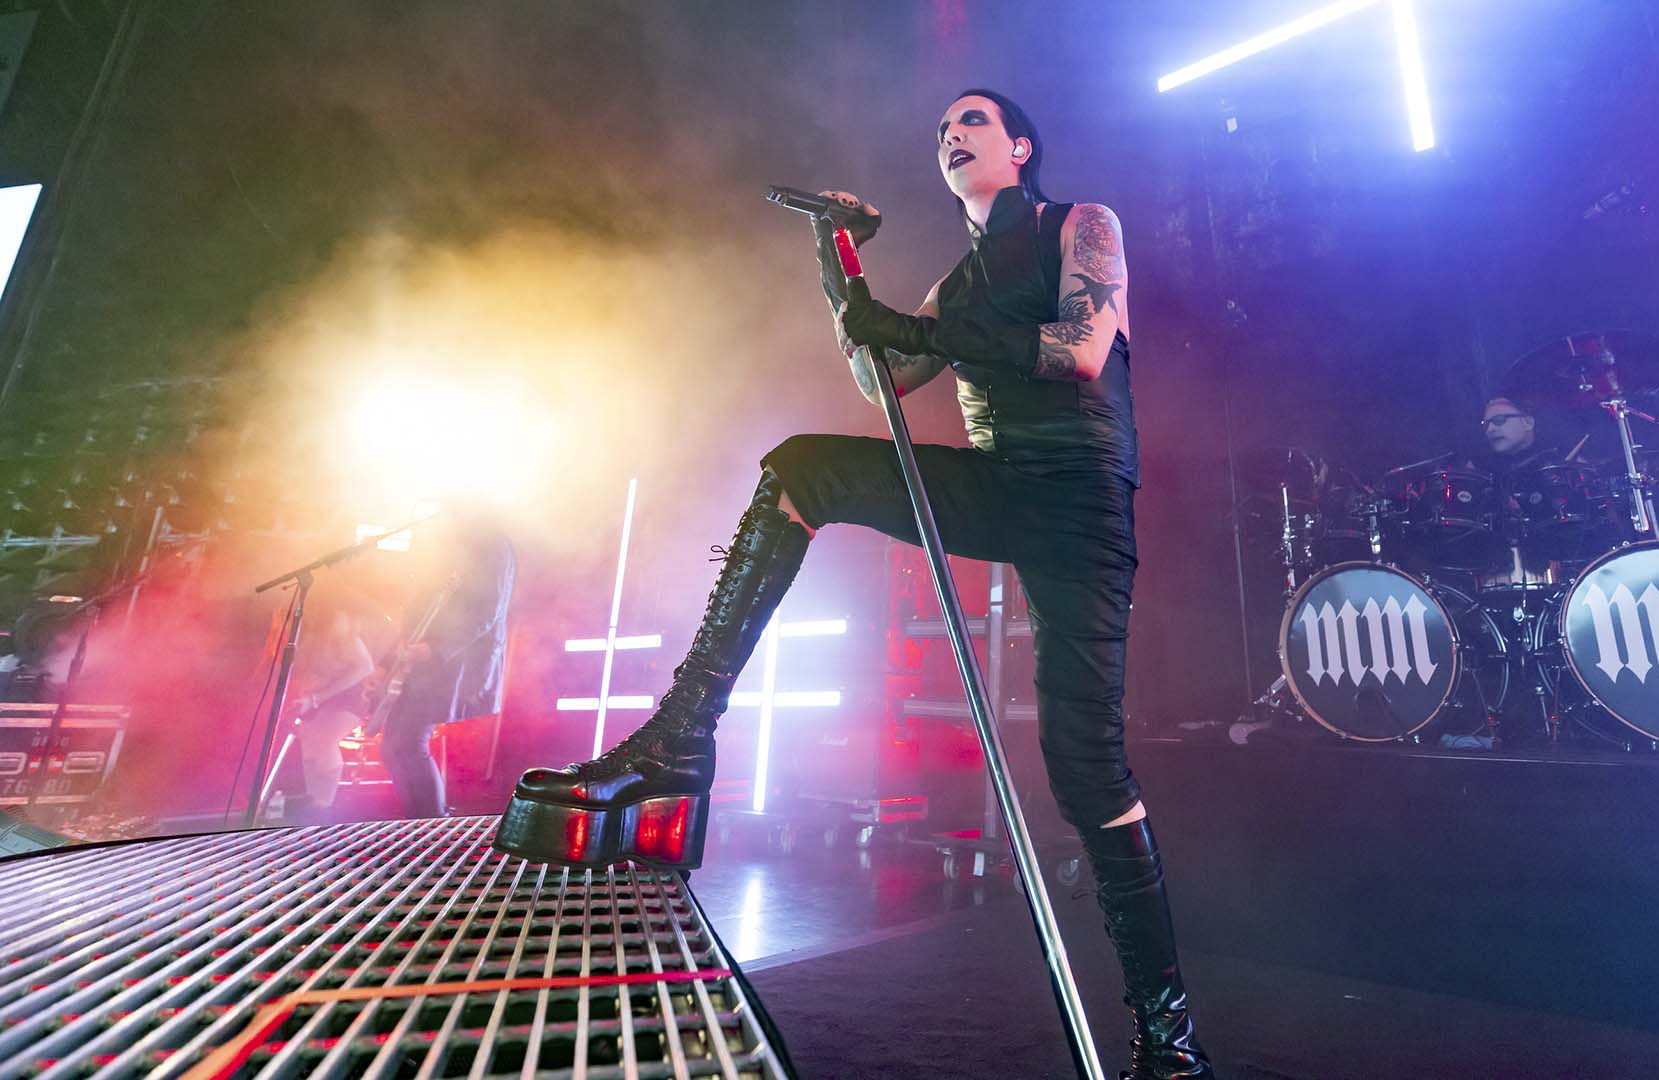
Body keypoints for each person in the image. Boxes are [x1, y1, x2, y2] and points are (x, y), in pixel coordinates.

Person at [497, 89, 1210, 1078]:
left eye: (972, 122)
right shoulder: (956, 284)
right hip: (999, 483)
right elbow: (881, 380)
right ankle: (681, 736)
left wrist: (917, 331)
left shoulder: (1080, 226)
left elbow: (1082, 350)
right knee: (802, 471)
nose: (951, 136)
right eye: (941, 130)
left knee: (1084, 769)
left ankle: (1171, 1047)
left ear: (1020, 146)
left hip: (1082, 501)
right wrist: (839, 262)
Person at [378, 505, 515, 818]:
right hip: (424, 660)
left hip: (451, 663)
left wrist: (435, 649)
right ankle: (418, 820)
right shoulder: (447, 546)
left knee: (409, 743)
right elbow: (420, 603)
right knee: (394, 747)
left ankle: (430, 822)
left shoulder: (493, 546)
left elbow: (484, 613)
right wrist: (396, 651)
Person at [281, 599, 376, 823]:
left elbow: (365, 666)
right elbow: (306, 672)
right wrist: (303, 699)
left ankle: (324, 807)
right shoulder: (309, 635)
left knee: (324, 738)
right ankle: (314, 801)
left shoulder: (345, 633)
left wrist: (316, 698)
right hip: (319, 699)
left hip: (349, 700)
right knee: (309, 737)